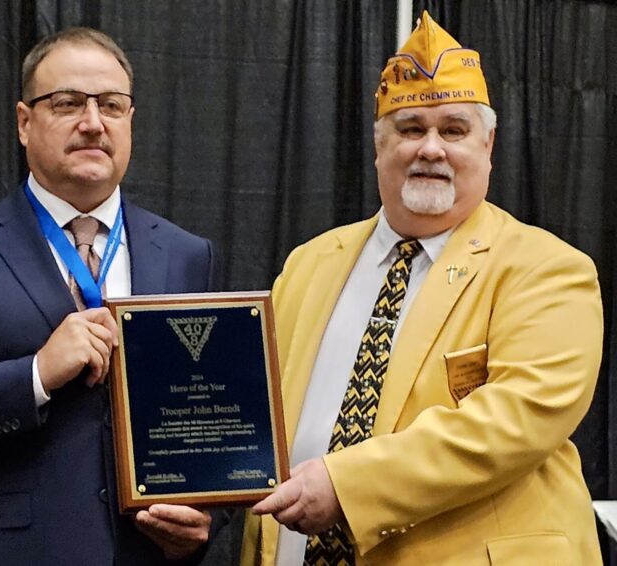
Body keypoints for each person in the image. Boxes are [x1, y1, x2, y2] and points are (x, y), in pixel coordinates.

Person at [241, 11, 603, 566]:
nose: (430, 148)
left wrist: (347, 485)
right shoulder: (309, 264)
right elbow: (256, 416)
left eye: (454, 130)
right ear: (379, 146)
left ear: (489, 145)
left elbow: (513, 421)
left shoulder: (547, 269)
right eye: (410, 129)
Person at [0, 27, 222, 566]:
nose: (93, 123)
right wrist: (35, 376)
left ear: (130, 122)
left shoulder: (188, 255)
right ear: (25, 123)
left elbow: (216, 416)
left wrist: (206, 523)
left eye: (112, 106)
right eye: (68, 103)